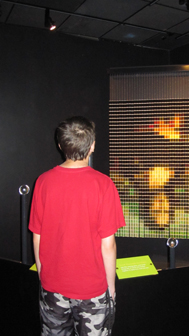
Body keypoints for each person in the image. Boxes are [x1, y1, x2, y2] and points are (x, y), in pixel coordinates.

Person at [29, 116, 126, 336]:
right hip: (91, 289)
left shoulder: (43, 181)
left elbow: (37, 236)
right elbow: (108, 245)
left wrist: (44, 275)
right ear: (92, 146)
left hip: (52, 287)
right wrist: (110, 287)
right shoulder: (104, 184)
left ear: (60, 145)